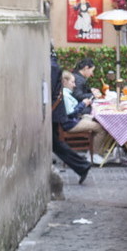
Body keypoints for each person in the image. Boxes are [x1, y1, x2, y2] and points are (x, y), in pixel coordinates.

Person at [49, 50, 90, 184]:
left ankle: (82, 165)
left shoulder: (52, 66)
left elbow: (51, 91)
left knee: (56, 144)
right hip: (55, 113)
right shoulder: (52, 65)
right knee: (56, 144)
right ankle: (82, 165)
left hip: (54, 113)